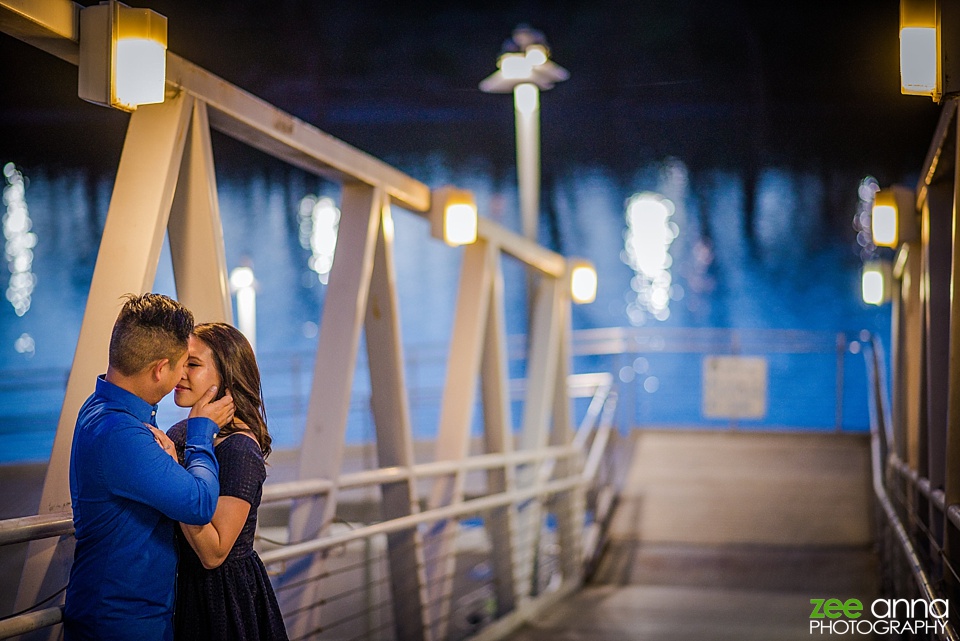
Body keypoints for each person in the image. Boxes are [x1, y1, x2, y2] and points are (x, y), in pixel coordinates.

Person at [63, 293, 235, 641]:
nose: (182, 376)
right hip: (122, 623)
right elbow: (200, 504)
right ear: (160, 369)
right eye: (182, 364)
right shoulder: (121, 434)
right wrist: (201, 432)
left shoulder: (98, 408)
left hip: (115, 614)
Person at [166, 322, 288, 640]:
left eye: (193, 364)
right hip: (180, 588)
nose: (180, 373)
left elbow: (214, 552)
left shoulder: (239, 448)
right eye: (180, 362)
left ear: (227, 376)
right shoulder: (182, 432)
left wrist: (172, 476)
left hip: (220, 599)